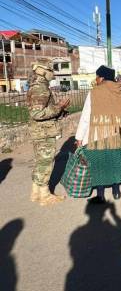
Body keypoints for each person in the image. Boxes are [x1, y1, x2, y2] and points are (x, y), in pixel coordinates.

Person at [75, 65, 121, 203]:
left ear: (102, 77)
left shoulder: (94, 92)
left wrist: (79, 137)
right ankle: (116, 191)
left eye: (97, 76)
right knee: (113, 162)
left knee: (99, 164)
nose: (96, 79)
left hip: (98, 134)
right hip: (117, 135)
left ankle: (100, 195)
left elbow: (86, 117)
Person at [27, 58, 70, 206]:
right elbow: (37, 114)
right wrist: (59, 106)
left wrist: (60, 110)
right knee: (45, 163)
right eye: (51, 71)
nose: (53, 74)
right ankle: (44, 196)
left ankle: (35, 192)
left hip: (40, 131)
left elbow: (40, 111)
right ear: (43, 71)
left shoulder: (37, 86)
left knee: (40, 162)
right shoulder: (40, 88)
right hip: (44, 133)